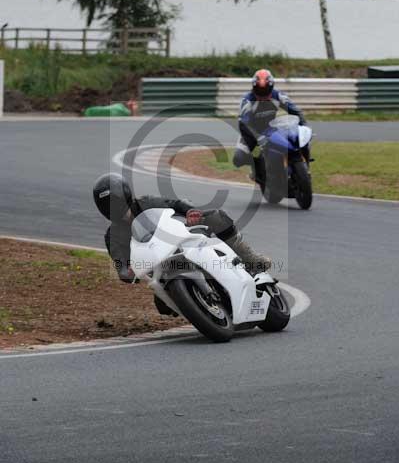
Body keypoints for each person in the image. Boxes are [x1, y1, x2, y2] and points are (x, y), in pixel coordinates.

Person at [93, 173, 271, 313]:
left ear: (125, 195)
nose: (113, 208)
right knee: (163, 307)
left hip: (180, 241)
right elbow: (120, 265)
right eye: (107, 205)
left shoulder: (146, 203)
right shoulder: (112, 236)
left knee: (216, 217)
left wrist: (190, 211)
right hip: (161, 270)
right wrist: (127, 271)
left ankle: (250, 258)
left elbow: (176, 203)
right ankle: (199, 307)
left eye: (115, 201)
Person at [233, 69, 306, 182]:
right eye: (259, 90)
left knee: (298, 139)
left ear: (271, 87)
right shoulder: (247, 100)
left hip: (271, 128)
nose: (262, 94)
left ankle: (303, 167)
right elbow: (243, 123)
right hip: (250, 131)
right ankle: (256, 169)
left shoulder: (278, 95)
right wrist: (257, 137)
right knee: (238, 159)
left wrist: (303, 125)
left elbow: (296, 111)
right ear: (253, 87)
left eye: (266, 90)